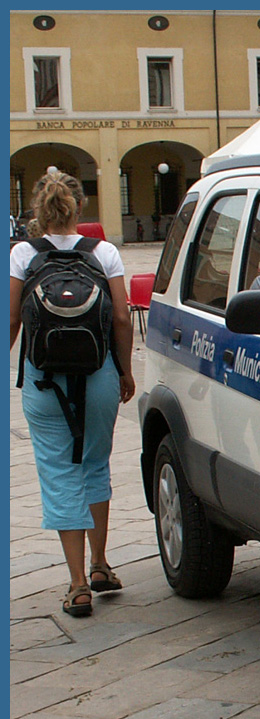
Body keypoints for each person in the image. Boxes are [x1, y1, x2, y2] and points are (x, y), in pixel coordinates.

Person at [9, 171, 135, 617]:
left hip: (43, 382)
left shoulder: (24, 253)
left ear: (39, 211)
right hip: (99, 373)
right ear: (79, 208)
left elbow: (10, 321)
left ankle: (78, 584)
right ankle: (101, 563)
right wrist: (125, 371)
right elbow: (121, 318)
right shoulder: (105, 252)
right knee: (95, 463)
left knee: (59, 472)